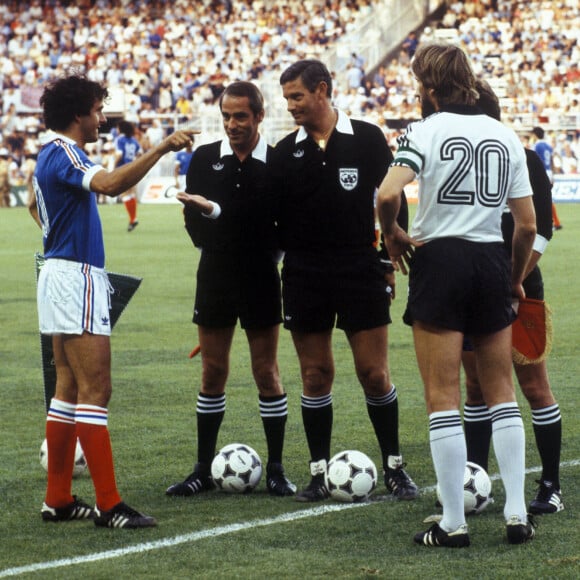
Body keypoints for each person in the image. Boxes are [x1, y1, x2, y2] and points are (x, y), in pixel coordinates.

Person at [376, 42, 537, 547]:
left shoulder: (423, 131)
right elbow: (527, 226)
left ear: (425, 86)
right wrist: (513, 278)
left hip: (440, 260)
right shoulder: (503, 134)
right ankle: (516, 513)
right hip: (491, 259)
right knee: (501, 394)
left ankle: (453, 522)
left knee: (442, 397)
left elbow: (386, 194)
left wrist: (392, 233)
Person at [32, 73, 195, 528]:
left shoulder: (46, 154)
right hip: (75, 275)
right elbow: (109, 185)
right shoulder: (65, 152)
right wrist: (161, 148)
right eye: (98, 110)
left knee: (67, 387)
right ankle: (109, 504)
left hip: (58, 272)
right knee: (96, 388)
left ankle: (58, 498)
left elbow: (33, 205)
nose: (102, 118)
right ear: (78, 114)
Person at [271, 59, 417, 503]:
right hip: (303, 272)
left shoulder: (367, 138)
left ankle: (394, 467)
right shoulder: (283, 152)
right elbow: (272, 221)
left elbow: (392, 200)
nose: (291, 106)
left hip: (359, 267)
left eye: (297, 96)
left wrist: (389, 259)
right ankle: (318, 473)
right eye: (287, 99)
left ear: (321, 90)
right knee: (315, 376)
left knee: (374, 374)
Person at [166, 81, 296, 498]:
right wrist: (212, 226)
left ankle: (276, 468)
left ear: (260, 116)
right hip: (216, 274)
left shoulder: (277, 163)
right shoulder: (205, 158)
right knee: (213, 371)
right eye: (226, 116)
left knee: (266, 372)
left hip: (260, 275)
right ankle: (202, 468)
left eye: (241, 116)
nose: (232, 124)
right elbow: (193, 222)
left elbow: (276, 225)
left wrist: (221, 215)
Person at [462, 81, 564, 516]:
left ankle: (551, 486)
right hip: (471, 287)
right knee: (474, 388)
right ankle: (474, 481)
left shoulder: (522, 158)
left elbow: (541, 230)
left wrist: (515, 278)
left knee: (534, 387)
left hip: (521, 290)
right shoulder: (461, 161)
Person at [531, 126, 562, 230]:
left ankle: (551, 223)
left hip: (541, 173)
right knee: (546, 198)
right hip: (549, 172)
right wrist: (552, 175)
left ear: (535, 135)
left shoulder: (535, 146)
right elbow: (552, 160)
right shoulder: (548, 146)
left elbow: (535, 161)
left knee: (539, 199)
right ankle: (555, 222)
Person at [115, 120, 141, 231]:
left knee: (124, 194)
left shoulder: (119, 140)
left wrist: (113, 167)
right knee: (131, 194)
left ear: (121, 129)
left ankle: (133, 219)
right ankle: (133, 219)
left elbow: (119, 155)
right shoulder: (134, 141)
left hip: (122, 169)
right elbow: (140, 154)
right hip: (132, 168)